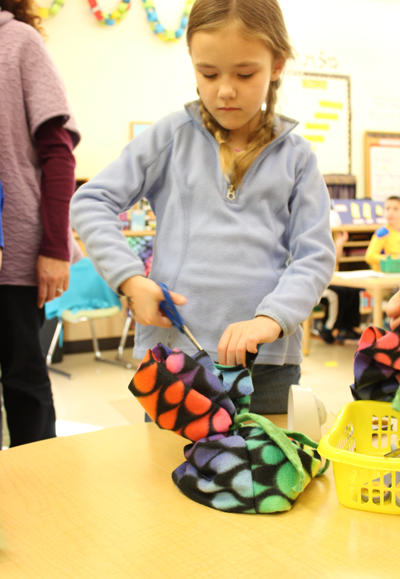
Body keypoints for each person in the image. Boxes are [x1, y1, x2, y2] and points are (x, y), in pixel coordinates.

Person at [70, 0, 336, 415]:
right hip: (177, 360)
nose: (224, 89)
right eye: (207, 73)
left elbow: (315, 255)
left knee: (266, 471)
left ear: (277, 64)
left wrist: (271, 319)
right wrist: (130, 280)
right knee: (164, 474)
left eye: (245, 74)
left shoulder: (298, 157)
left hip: (267, 366)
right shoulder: (171, 138)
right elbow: (91, 200)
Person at [0, 1, 80, 446]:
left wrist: (53, 247)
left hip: (15, 253)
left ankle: (39, 501)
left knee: (24, 380)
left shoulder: (19, 43)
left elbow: (59, 154)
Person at [318, 230, 362, 343]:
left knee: (351, 290)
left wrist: (339, 244)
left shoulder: (324, 240)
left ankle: (350, 327)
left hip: (327, 280)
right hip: (315, 284)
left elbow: (333, 263)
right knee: (337, 293)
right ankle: (329, 328)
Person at [365, 196, 400, 271]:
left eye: (395, 209)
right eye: (387, 209)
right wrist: (392, 258)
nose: (391, 212)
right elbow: (369, 257)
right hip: (384, 273)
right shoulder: (383, 233)